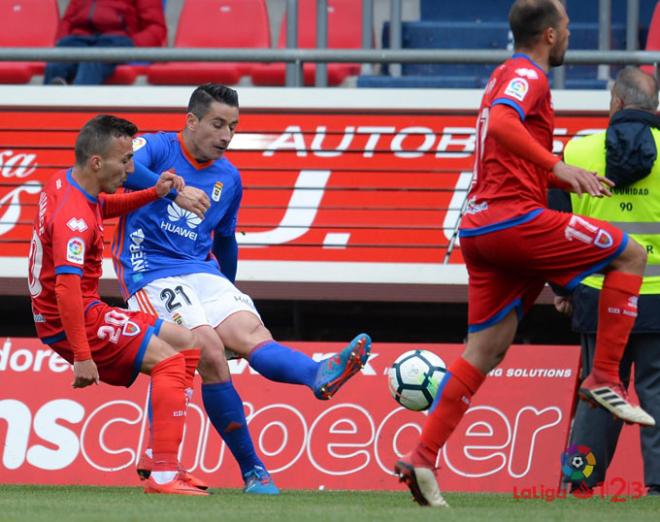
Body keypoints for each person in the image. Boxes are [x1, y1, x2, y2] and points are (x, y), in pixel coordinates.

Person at [393, 0, 655, 508]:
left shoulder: (504, 73)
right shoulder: (526, 75)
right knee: (630, 255)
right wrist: (555, 168)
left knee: (486, 349)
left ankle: (422, 457)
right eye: (569, 28)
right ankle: (604, 376)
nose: (572, 35)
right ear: (551, 35)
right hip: (513, 218)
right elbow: (504, 124)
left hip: (480, 227)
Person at [112, 83, 372, 495]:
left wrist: (227, 294)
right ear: (191, 121)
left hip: (203, 272)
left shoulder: (229, 177)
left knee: (250, 333)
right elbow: (120, 168)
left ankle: (318, 374)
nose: (226, 136)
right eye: (217, 124)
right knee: (209, 351)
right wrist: (176, 190)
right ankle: (253, 470)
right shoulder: (158, 147)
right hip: (150, 272)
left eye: (233, 126)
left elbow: (226, 239)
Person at [27, 114, 208, 496]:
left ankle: (161, 458)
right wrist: (81, 355)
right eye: (125, 160)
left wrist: (153, 193)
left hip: (72, 310)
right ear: (97, 162)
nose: (131, 168)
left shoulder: (66, 182)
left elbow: (101, 208)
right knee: (171, 360)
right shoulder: (73, 219)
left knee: (186, 340)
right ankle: (162, 476)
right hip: (72, 316)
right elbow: (66, 289)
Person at [553, 66, 660, 496]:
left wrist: (563, 288)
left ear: (614, 104)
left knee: (599, 389)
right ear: (654, 108)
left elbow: (553, 225)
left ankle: (579, 482)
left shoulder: (577, 152)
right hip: (657, 297)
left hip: (598, 297)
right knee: (656, 392)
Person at [44, 0, 166, 85]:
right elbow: (68, 20)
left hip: (115, 40)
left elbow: (156, 28)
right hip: (80, 38)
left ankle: (78, 107)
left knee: (92, 61)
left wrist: (132, 45)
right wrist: (61, 40)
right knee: (56, 62)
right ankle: (48, 109)